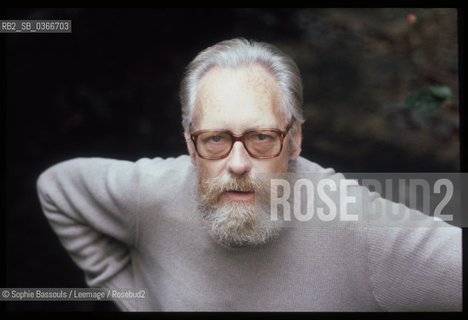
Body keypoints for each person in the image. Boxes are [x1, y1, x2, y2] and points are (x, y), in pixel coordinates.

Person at [36, 38, 461, 311]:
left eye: (261, 137)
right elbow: (56, 188)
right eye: (216, 139)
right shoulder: (152, 194)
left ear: (294, 140)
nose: (237, 164)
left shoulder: (357, 225)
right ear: (189, 144)